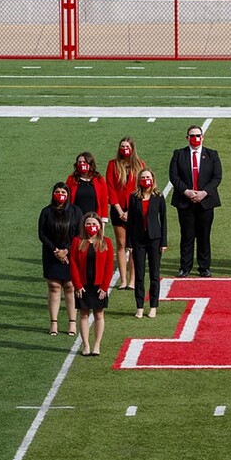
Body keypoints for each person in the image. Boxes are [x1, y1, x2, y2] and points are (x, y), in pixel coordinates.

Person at [169, 124, 222, 277]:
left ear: (202, 137)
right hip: (185, 201)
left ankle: (204, 267)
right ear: (187, 138)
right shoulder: (179, 154)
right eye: (192, 135)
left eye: (198, 135)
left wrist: (203, 193)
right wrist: (187, 191)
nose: (195, 138)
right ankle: (185, 267)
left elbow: (217, 177)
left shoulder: (212, 154)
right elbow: (174, 176)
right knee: (187, 235)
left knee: (204, 235)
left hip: (206, 201)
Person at [38, 182, 82, 337]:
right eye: (57, 191)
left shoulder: (76, 211)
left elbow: (79, 233)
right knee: (54, 287)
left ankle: (72, 323)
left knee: (70, 287)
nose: (60, 194)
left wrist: (67, 251)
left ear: (68, 194)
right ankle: (54, 322)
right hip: (52, 254)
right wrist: (56, 251)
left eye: (63, 191)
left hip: (71, 253)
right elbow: (42, 234)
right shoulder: (46, 212)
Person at [70, 212, 114, 357]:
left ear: (100, 226)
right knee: (83, 314)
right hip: (83, 285)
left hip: (99, 285)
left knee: (99, 314)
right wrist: (77, 285)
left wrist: (104, 287)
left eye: (94, 224)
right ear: (84, 226)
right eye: (88, 223)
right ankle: (86, 345)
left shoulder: (106, 242)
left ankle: (96, 345)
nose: (91, 226)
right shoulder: (77, 241)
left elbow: (109, 266)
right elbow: (74, 264)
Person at [126, 169, 168, 319]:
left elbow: (163, 220)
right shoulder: (134, 197)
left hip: (154, 239)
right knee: (139, 274)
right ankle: (139, 306)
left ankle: (153, 306)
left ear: (153, 178)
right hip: (138, 240)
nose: (146, 179)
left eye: (148, 177)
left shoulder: (158, 196)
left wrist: (164, 241)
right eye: (143, 177)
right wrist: (129, 242)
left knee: (154, 274)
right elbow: (130, 221)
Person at [106, 137, 145, 291]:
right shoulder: (112, 164)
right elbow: (111, 188)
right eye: (122, 146)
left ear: (132, 148)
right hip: (118, 209)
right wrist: (120, 210)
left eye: (127, 146)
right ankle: (123, 280)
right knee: (121, 244)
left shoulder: (139, 164)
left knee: (133, 246)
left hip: (135, 209)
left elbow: (141, 187)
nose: (125, 149)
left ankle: (132, 280)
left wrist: (130, 210)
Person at [66, 152, 109, 223]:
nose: (82, 164)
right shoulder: (71, 180)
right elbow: (67, 199)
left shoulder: (99, 180)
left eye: (84, 162)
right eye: (79, 162)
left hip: (94, 221)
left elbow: (104, 202)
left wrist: (103, 222)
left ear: (90, 164)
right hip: (76, 220)